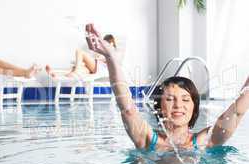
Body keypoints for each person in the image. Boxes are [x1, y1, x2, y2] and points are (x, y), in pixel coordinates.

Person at [85, 23, 249, 152]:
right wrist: (110, 56)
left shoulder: (205, 141)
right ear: (159, 107)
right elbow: (127, 108)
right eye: (170, 99)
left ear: (194, 107)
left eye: (186, 99)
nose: (178, 105)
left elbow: (236, 112)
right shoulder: (147, 139)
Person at [45, 34, 116, 79]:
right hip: (97, 68)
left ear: (112, 43)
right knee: (75, 69)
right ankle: (56, 74)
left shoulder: (113, 52)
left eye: (108, 42)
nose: (105, 44)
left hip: (101, 68)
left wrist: (101, 57)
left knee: (79, 52)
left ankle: (76, 71)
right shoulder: (104, 50)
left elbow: (110, 62)